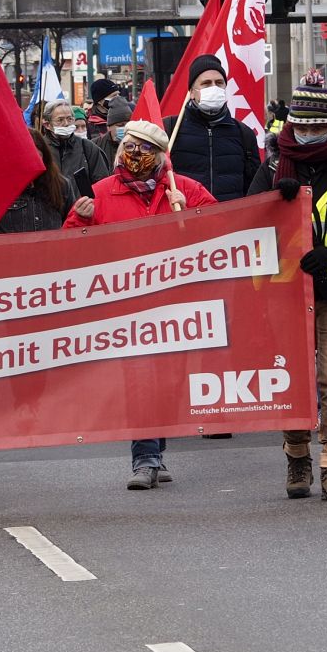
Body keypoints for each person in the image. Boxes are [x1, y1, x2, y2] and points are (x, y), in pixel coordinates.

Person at [248, 73, 327, 501]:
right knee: (296, 377)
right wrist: (273, 200)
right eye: (299, 127)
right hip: (289, 290)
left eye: (315, 128)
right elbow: (246, 222)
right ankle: (298, 455)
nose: (306, 135)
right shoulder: (271, 167)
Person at [66, 119, 213, 487]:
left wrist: (192, 214)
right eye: (130, 147)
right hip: (126, 305)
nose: (136, 155)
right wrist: (80, 221)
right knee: (139, 378)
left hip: (176, 304)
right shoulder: (100, 193)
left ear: (161, 155)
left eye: (146, 149)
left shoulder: (186, 190)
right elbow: (69, 249)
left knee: (169, 380)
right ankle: (145, 456)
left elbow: (220, 233)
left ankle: (157, 450)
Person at [170, 56, 259, 202]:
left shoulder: (244, 134)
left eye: (219, 83)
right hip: (185, 220)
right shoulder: (171, 130)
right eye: (206, 83)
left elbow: (255, 189)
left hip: (231, 221)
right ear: (192, 92)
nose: (214, 88)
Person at [0, 125, 75, 234]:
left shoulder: (61, 185)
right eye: (25, 158)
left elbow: (72, 224)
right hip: (12, 250)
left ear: (44, 157)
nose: (31, 163)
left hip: (52, 250)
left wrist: (83, 215)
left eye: (36, 157)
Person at [38, 100, 110, 202]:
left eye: (70, 119)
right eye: (60, 120)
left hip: (82, 212)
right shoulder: (40, 149)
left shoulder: (88, 147)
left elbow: (102, 184)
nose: (66, 123)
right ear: (47, 125)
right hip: (50, 213)